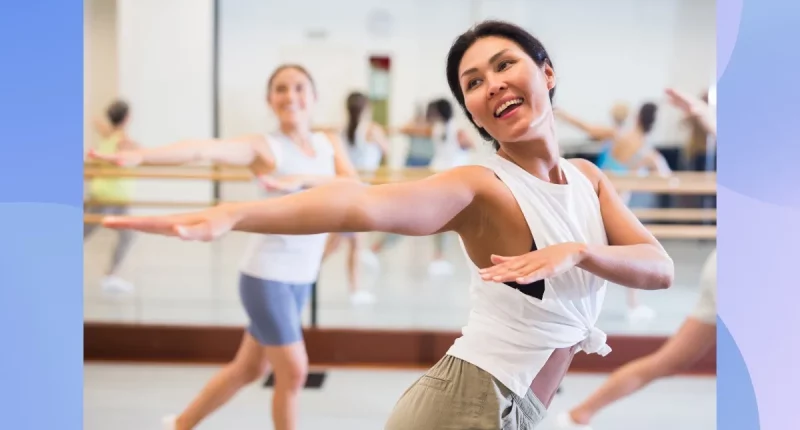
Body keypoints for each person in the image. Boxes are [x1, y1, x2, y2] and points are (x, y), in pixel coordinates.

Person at [101, 21, 674, 429]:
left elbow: (659, 268)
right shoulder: (482, 185)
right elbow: (359, 203)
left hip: (515, 408)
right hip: (466, 405)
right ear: (472, 111)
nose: (492, 83)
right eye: (473, 82)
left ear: (546, 74)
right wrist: (234, 213)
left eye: (504, 65)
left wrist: (579, 251)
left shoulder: (587, 180)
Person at [91, 64, 359, 430]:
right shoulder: (265, 147)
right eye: (280, 89)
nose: (290, 96)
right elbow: (204, 150)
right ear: (269, 99)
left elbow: (354, 185)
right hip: (267, 278)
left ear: (313, 97)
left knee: (249, 369)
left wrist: (304, 178)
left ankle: (180, 424)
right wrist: (143, 156)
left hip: (302, 276)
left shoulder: (329, 142)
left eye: (299, 87)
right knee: (294, 373)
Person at [554, 87, 717, 430]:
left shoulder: (618, 136)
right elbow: (665, 176)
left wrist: (561, 113)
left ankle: (579, 412)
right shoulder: (646, 151)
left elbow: (587, 128)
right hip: (617, 213)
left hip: (592, 210)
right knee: (627, 263)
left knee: (665, 357)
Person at [323, 91, 390, 305]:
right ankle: (352, 289)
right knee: (339, 243)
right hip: (359, 195)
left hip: (344, 192)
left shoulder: (340, 130)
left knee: (348, 243)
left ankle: (355, 289)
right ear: (367, 108)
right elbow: (387, 151)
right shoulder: (372, 130)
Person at [84, 99, 140, 293]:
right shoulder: (123, 141)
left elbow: (97, 123)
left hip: (112, 197)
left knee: (128, 235)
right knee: (83, 233)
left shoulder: (108, 135)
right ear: (127, 118)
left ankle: (111, 276)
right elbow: (135, 154)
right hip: (109, 197)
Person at [554, 102, 629, 166]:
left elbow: (589, 129)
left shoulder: (612, 132)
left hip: (607, 168)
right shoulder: (620, 132)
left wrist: (565, 115)